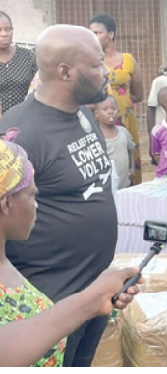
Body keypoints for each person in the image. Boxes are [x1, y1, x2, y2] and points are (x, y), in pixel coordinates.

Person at [0, 24, 120, 367]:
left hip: (92, 290)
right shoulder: (21, 134)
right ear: (65, 72)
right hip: (48, 299)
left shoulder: (83, 113)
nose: (106, 71)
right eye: (97, 64)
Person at [0, 139, 142, 367]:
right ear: (7, 203)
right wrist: (90, 299)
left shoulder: (5, 260)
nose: (37, 206)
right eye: (32, 195)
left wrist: (95, 299)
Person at [89, 14, 144, 185]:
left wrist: (121, 101)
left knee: (128, 163)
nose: (93, 36)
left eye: (97, 32)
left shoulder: (128, 60)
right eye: (91, 33)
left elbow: (138, 95)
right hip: (98, 121)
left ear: (111, 34)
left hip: (125, 120)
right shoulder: (89, 61)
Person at [0, 11, 37, 118]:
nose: (4, 34)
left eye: (8, 29)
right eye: (0, 30)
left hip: (27, 119)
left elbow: (40, 85)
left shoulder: (28, 56)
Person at [95, 95, 135, 190]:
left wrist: (132, 168)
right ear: (96, 114)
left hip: (124, 185)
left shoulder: (123, 132)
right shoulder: (96, 137)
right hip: (106, 187)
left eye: (114, 108)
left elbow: (131, 149)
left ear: (119, 112)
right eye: (105, 109)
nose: (110, 112)